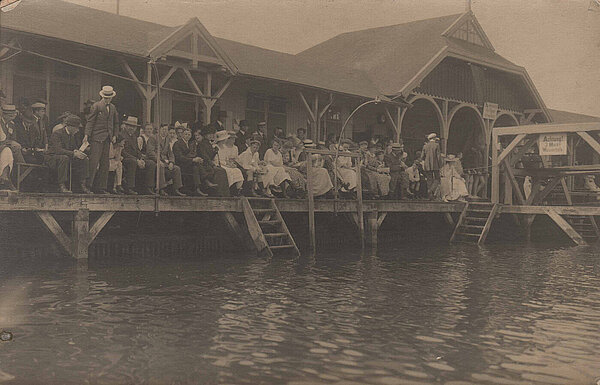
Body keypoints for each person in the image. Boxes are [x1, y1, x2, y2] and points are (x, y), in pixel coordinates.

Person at [84, 86, 120, 194]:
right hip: (97, 138)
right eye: (106, 98)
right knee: (94, 162)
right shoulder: (96, 106)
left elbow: (116, 123)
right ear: (102, 96)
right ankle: (88, 186)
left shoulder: (113, 108)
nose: (108, 100)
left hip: (107, 139)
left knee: (105, 164)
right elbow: (90, 122)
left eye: (109, 98)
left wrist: (114, 135)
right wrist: (87, 134)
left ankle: (101, 187)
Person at [45, 115, 90, 193]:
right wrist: (73, 153)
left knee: (84, 159)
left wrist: (79, 152)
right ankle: (61, 185)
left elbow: (73, 148)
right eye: (77, 128)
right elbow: (58, 150)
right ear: (70, 127)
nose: (78, 130)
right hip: (52, 157)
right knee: (64, 158)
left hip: (65, 157)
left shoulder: (72, 135)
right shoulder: (57, 134)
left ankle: (82, 185)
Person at [147, 124, 186, 196]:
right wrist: (158, 160)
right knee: (160, 166)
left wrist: (171, 162)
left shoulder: (167, 139)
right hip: (154, 160)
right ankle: (161, 188)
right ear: (159, 130)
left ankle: (176, 189)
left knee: (176, 168)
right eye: (163, 129)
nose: (164, 131)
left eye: (166, 130)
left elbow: (170, 153)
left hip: (165, 161)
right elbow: (150, 152)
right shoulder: (153, 138)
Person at [120, 116, 154, 195]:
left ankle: (148, 187)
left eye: (134, 127)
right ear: (126, 126)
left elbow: (137, 150)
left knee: (151, 163)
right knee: (132, 162)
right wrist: (136, 160)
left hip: (135, 158)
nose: (132, 128)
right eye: (130, 126)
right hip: (125, 158)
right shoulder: (121, 135)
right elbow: (122, 151)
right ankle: (129, 187)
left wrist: (141, 158)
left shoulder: (134, 136)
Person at [173, 127, 208, 196]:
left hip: (189, 163)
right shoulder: (177, 143)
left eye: (189, 134)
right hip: (181, 164)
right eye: (185, 134)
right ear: (182, 135)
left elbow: (193, 154)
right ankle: (199, 186)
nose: (187, 136)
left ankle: (200, 185)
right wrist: (193, 160)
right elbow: (179, 157)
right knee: (195, 166)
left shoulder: (190, 144)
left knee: (197, 164)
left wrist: (198, 159)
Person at [194, 127, 229, 196]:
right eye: (209, 134)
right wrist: (213, 165)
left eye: (212, 134)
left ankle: (224, 194)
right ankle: (218, 193)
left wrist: (215, 152)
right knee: (220, 171)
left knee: (222, 170)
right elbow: (205, 157)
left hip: (208, 163)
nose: (211, 136)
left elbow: (210, 156)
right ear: (205, 135)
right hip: (203, 164)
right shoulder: (201, 144)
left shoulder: (209, 144)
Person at [215, 130, 244, 195]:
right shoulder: (215, 147)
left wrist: (230, 164)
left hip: (226, 164)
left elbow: (227, 158)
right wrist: (227, 165)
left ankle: (236, 189)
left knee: (237, 170)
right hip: (219, 164)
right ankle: (229, 189)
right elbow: (216, 160)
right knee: (228, 171)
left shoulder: (225, 147)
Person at [421, 133, 442, 200]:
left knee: (429, 180)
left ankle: (430, 196)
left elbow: (422, 157)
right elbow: (438, 156)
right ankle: (431, 190)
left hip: (427, 165)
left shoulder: (425, 146)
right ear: (434, 138)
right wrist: (440, 165)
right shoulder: (436, 145)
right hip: (435, 165)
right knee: (437, 179)